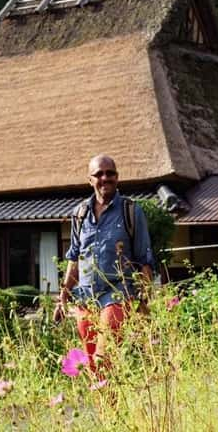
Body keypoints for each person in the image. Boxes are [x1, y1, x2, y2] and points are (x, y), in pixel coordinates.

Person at [55, 155, 155, 372]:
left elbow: (144, 258)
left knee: (103, 358)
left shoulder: (130, 211)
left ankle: (113, 405)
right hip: (87, 297)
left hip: (117, 294)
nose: (105, 178)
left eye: (110, 173)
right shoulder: (80, 214)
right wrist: (62, 296)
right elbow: (75, 258)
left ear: (117, 177)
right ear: (90, 180)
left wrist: (144, 302)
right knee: (90, 362)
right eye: (98, 174)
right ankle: (108, 407)